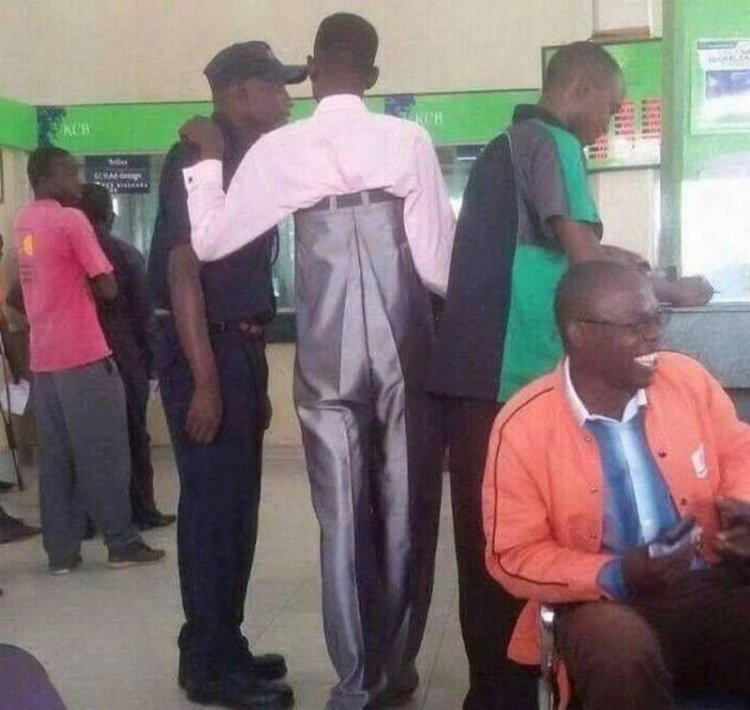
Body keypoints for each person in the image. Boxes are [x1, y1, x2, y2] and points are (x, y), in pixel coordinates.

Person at [425, 41, 714, 709]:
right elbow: (583, 257)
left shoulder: (512, 144)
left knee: (486, 545)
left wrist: (630, 263)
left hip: (477, 375)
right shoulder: (550, 140)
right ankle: (502, 696)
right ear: (578, 90)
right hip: (502, 378)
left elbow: (562, 249)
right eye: (608, 109)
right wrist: (668, 292)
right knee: (507, 550)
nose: (606, 126)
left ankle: (500, 692)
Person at [179, 13, 455, 708]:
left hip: (327, 344)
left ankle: (355, 680)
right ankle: (396, 665)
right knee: (407, 504)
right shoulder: (407, 139)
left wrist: (206, 162)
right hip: (403, 339)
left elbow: (208, 243)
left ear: (312, 67)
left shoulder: (281, 148)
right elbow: (437, 266)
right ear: (373, 75)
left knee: (341, 514)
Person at [483, 260, 750, 709]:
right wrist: (616, 573)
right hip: (598, 602)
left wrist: (743, 507)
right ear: (579, 334)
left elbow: (740, 452)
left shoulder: (686, 380)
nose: (654, 334)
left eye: (657, 317)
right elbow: (512, 555)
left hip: (703, 581)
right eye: (636, 325)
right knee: (620, 653)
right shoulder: (523, 426)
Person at [147, 41, 303, 709]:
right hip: (204, 352)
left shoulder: (242, 158)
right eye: (276, 87)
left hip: (236, 349)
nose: (288, 99)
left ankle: (223, 644)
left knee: (237, 510)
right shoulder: (196, 157)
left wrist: (250, 376)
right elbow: (183, 271)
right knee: (213, 512)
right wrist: (208, 381)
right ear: (240, 93)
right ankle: (209, 665)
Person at [12, 146, 164, 574]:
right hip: (84, 354)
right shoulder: (71, 220)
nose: (76, 180)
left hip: (45, 360)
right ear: (45, 177)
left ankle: (61, 553)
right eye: (67, 172)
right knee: (106, 453)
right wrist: (83, 282)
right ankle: (121, 543)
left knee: (56, 461)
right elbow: (109, 286)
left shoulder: (24, 221)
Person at [78, 183, 175, 530]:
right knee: (133, 435)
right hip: (123, 353)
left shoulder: (65, 252)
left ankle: (88, 517)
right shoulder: (124, 253)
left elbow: (16, 297)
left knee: (86, 438)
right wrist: (152, 365)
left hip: (78, 356)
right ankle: (141, 510)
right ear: (110, 214)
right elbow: (144, 314)